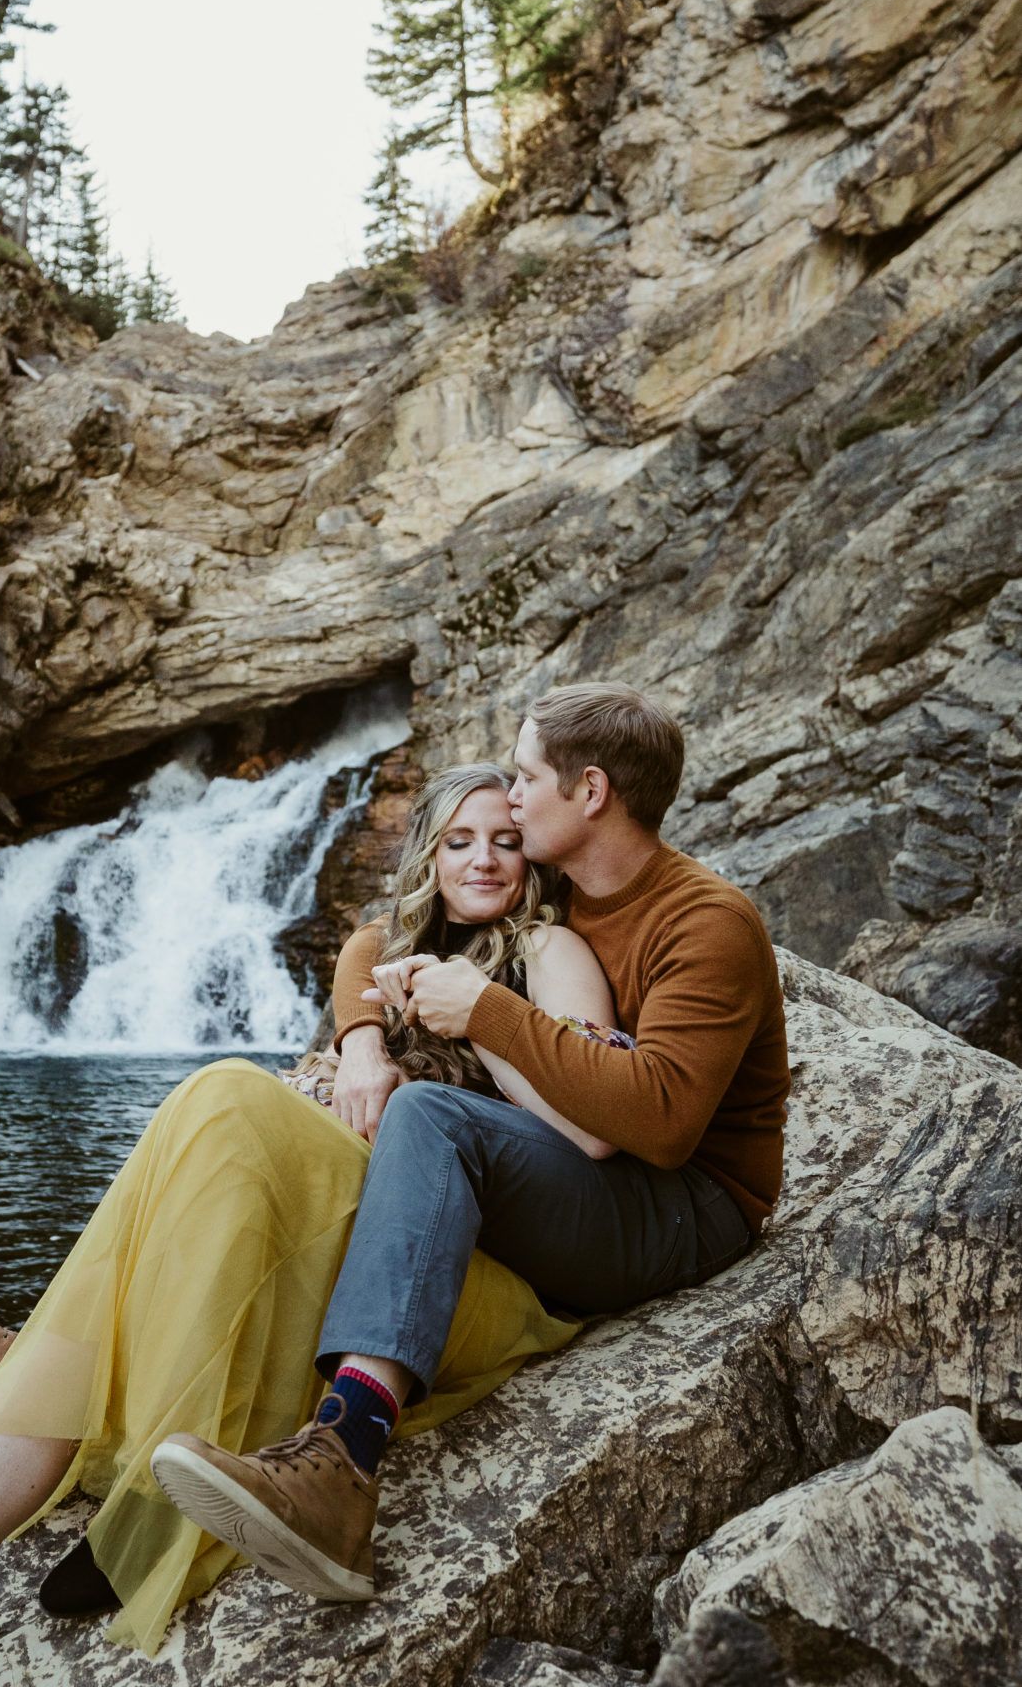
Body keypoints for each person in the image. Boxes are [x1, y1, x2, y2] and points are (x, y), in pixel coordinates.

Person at [0, 761, 608, 1687]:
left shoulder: (551, 952)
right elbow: (360, 959)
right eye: (458, 839)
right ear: (428, 855)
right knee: (211, 1126)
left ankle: (102, 1429)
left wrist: (476, 1015)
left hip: (452, 1272)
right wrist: (360, 1045)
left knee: (222, 1099)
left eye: (505, 839)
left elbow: (584, 1133)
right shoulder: (388, 951)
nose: (483, 857)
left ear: (537, 859)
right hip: (343, 1225)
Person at [148, 683, 787, 1603]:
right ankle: (94, 1367)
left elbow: (656, 1123)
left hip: (688, 1207)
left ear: (592, 791)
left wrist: (485, 1010)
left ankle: (344, 1458)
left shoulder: (706, 922)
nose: (512, 801)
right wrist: (363, 1042)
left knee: (428, 1117)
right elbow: (381, 937)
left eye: (526, 777)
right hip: (591, 1176)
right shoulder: (564, 880)